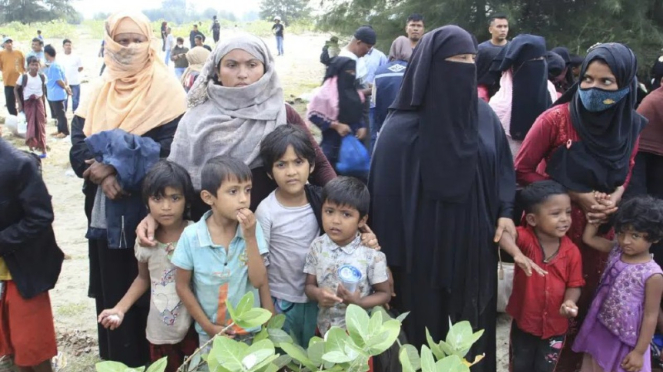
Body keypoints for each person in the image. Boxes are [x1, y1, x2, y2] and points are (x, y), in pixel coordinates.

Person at [368, 26, 516, 372]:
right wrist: (384, 262)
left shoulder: (483, 117)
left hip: (473, 249)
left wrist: (507, 211)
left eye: (471, 60)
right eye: (456, 61)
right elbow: (384, 200)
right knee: (421, 338)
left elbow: (503, 171)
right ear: (431, 65)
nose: (465, 68)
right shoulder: (400, 128)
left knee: (471, 335)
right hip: (418, 257)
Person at [515, 42, 645, 372]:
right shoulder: (556, 119)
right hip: (554, 230)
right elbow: (522, 169)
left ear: (626, 85)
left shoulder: (630, 125)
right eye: (587, 79)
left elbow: (626, 167)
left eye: (606, 82)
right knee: (546, 309)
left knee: (588, 303)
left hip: (599, 232)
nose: (592, 89)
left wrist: (613, 199)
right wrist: (577, 196)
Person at [68, 11, 187, 367]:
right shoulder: (96, 92)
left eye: (137, 39)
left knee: (154, 290)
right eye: (122, 40)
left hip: (153, 215)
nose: (130, 47)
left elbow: (169, 150)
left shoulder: (167, 91)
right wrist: (103, 174)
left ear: (150, 43)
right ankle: (116, 361)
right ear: (109, 43)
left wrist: (118, 164)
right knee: (113, 288)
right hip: (104, 218)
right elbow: (77, 149)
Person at [98, 160, 197, 372]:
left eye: (175, 198)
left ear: (187, 200)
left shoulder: (196, 234)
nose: (166, 206)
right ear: (147, 202)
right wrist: (119, 308)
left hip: (195, 326)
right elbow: (143, 279)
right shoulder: (146, 242)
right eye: (158, 198)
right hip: (160, 331)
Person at [172, 156, 271, 349]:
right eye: (233, 191)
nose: (243, 198)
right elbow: (182, 286)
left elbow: (259, 281)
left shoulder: (252, 228)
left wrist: (250, 237)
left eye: (247, 190)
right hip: (211, 335)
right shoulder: (192, 236)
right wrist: (208, 327)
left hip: (251, 332)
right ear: (209, 197)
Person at [499, 181, 584, 372]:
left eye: (568, 212)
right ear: (532, 219)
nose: (564, 219)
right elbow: (504, 233)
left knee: (546, 368)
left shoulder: (572, 252)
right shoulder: (526, 240)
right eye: (556, 214)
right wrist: (517, 254)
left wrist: (569, 302)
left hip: (556, 327)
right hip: (525, 323)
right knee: (520, 364)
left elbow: (575, 284)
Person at [574, 196, 663, 372]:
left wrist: (639, 352)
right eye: (622, 232)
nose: (625, 241)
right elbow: (588, 238)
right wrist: (597, 215)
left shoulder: (653, 274)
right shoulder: (616, 249)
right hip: (601, 325)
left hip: (625, 338)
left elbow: (650, 316)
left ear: (655, 238)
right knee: (595, 364)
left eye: (635, 235)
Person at [0, 138, 64, 372]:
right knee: (9, 351)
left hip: (21, 273)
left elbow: (40, 216)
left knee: (32, 350)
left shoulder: (18, 165)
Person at [304, 176, 390, 335]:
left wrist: (359, 302)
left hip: (358, 334)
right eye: (329, 211)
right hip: (324, 329)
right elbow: (309, 285)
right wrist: (318, 294)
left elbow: (384, 294)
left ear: (361, 220)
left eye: (346, 215)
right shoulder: (317, 246)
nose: (335, 220)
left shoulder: (371, 254)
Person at [489, 34, 557, 157]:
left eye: (541, 59)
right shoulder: (499, 105)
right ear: (516, 67)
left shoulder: (549, 89)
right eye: (533, 61)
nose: (539, 64)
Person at [308, 57, 367, 174]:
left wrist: (362, 126)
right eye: (348, 72)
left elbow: (358, 112)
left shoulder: (355, 91)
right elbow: (313, 115)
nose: (351, 75)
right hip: (332, 146)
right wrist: (335, 126)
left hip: (353, 146)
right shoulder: (324, 94)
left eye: (353, 72)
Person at [371, 36, 410, 150]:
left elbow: (374, 100)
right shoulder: (414, 69)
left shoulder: (380, 71)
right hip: (408, 125)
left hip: (385, 124)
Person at [15, 56, 48, 158]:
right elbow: (15, 89)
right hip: (28, 103)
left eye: (36, 64)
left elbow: (43, 94)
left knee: (41, 126)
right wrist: (20, 104)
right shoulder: (23, 77)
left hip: (39, 102)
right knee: (31, 125)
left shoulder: (42, 77)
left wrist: (45, 110)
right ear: (28, 66)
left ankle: (42, 147)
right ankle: (31, 146)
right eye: (32, 64)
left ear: (39, 66)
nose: (34, 67)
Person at [476, 15, 509, 102]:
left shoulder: (513, 49)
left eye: (505, 26)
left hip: (506, 93)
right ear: (491, 29)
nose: (503, 29)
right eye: (499, 26)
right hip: (484, 93)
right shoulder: (481, 49)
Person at [44, 44, 71, 139]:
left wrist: (66, 87)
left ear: (46, 54)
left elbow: (59, 80)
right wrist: (66, 86)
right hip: (55, 93)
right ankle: (60, 129)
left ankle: (65, 131)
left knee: (60, 114)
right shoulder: (57, 64)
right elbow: (65, 78)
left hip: (56, 93)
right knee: (58, 114)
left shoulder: (54, 66)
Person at [0, 37, 25, 116]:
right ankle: (14, 116)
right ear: (4, 44)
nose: (9, 44)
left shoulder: (19, 53)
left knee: (22, 100)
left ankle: (23, 116)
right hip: (8, 82)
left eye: (10, 42)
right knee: (10, 102)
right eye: (7, 42)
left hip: (19, 82)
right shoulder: (1, 54)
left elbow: (24, 66)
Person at [61, 39, 83, 113]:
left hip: (75, 82)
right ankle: (63, 118)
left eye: (69, 45)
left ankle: (75, 118)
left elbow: (81, 67)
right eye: (66, 45)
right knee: (64, 101)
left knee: (75, 101)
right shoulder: (59, 57)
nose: (68, 46)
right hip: (64, 83)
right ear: (63, 46)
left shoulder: (76, 57)